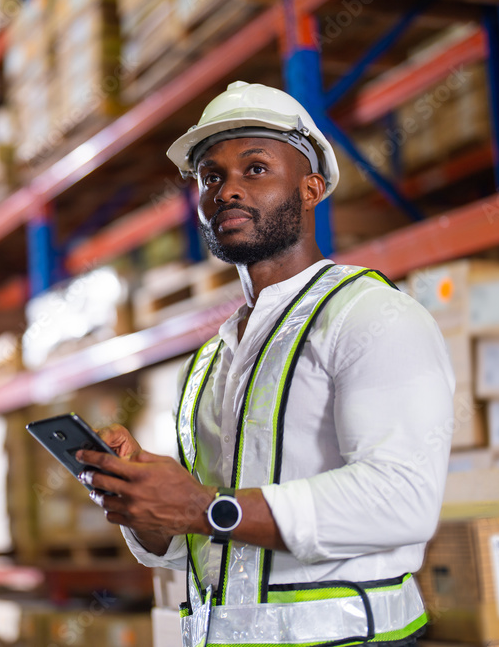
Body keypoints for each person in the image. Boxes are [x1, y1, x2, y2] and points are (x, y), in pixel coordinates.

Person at [76, 81, 455, 647]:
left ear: (311, 189)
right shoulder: (212, 359)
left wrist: (205, 506)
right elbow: (203, 537)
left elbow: (402, 500)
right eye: (211, 177)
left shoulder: (372, 315)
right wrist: (147, 503)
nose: (227, 190)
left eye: (255, 169)